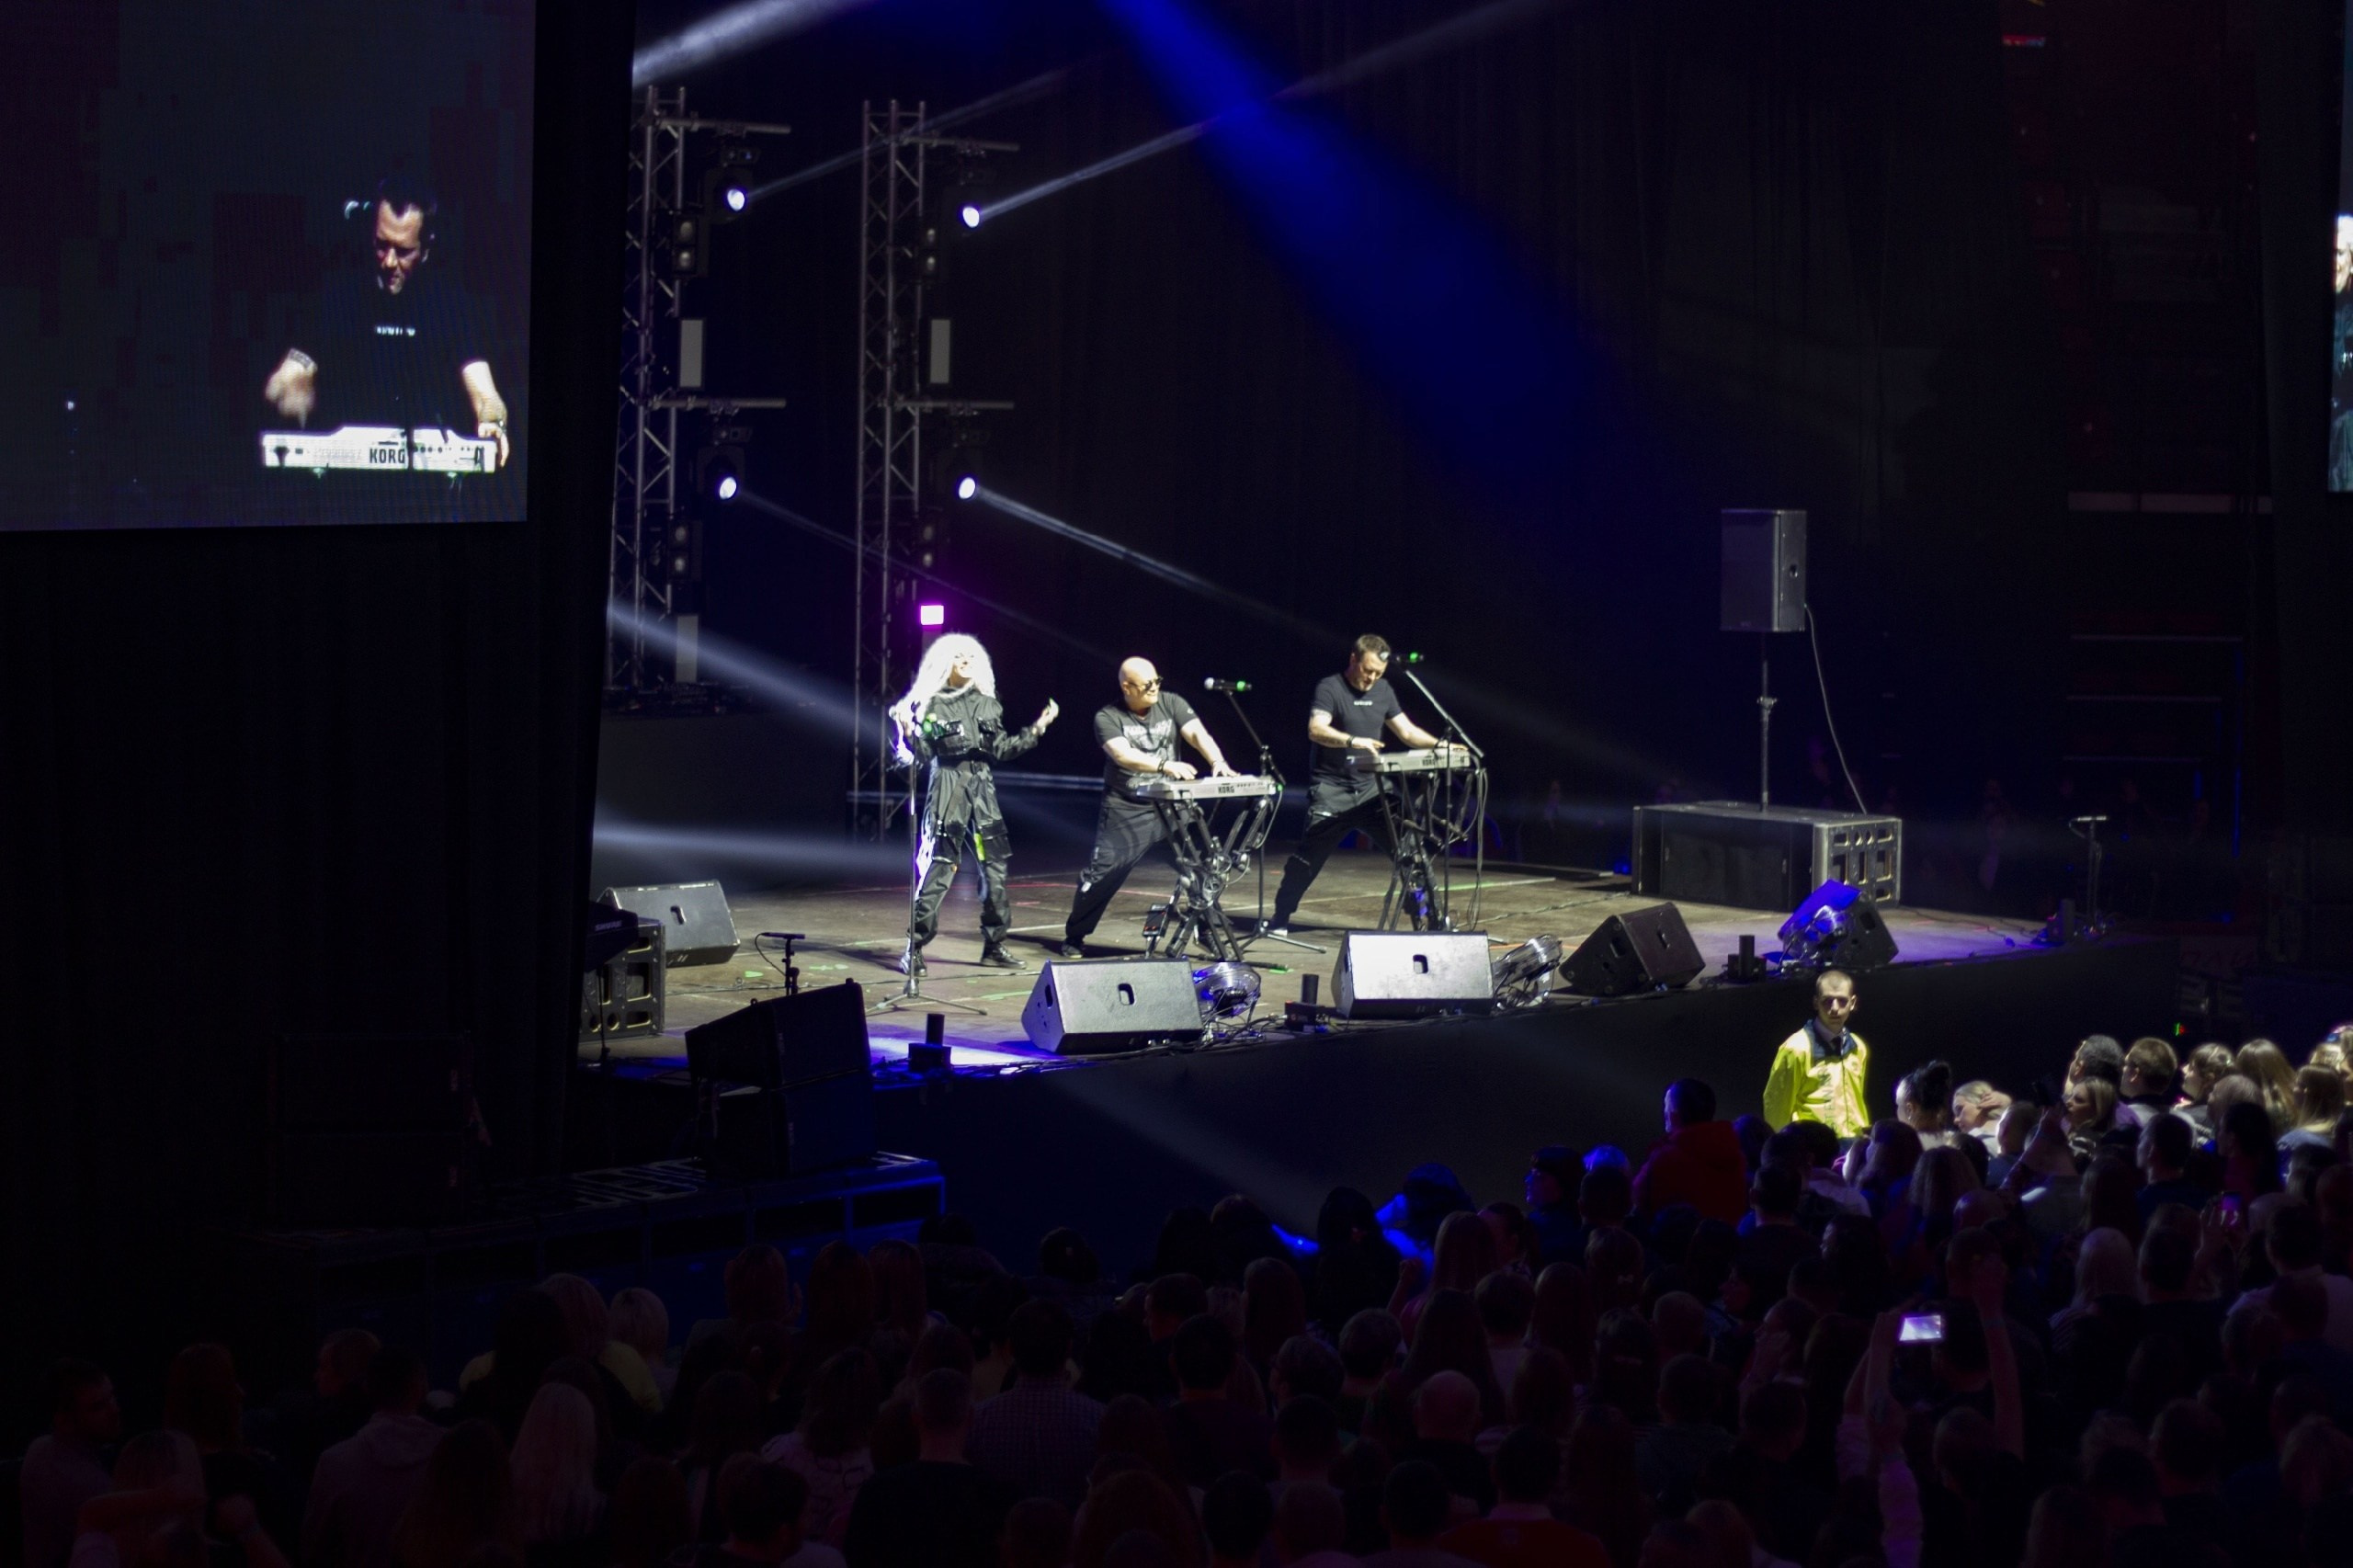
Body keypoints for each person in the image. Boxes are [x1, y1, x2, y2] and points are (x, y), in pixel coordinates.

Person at [264, 178, 512, 464]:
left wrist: (493, 422)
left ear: (426, 248)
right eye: (382, 245)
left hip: (426, 491)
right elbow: (290, 375)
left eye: (404, 251)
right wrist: (289, 390)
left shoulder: (449, 307)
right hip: (344, 486)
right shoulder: (340, 298)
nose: (389, 262)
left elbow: (485, 393)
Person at [886, 635, 1058, 978]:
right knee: (940, 869)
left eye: (970, 656)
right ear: (944, 665)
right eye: (958, 656)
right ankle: (915, 947)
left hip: (983, 794)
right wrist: (907, 732)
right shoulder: (932, 704)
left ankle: (993, 946)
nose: (966, 659)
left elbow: (1003, 749)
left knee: (994, 871)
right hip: (948, 790)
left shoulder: (988, 704)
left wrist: (1038, 728)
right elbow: (922, 756)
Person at [1260, 635, 1446, 937]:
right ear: (1354, 660)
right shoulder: (1330, 687)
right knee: (1307, 861)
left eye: (1378, 673)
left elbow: (1407, 732)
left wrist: (1442, 746)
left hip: (1373, 791)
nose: (1371, 678)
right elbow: (1316, 729)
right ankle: (1280, 918)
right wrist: (1353, 741)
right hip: (1332, 790)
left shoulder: (1384, 690)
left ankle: (1435, 920)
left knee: (1411, 850)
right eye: (1367, 670)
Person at [1060, 657, 1238, 957]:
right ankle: (1075, 935)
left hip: (1173, 807)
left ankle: (1206, 929)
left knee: (1206, 866)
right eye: (1147, 685)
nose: (1155, 688)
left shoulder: (1172, 702)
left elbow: (1197, 734)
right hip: (1128, 808)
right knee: (1101, 876)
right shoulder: (1108, 717)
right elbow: (1123, 755)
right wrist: (1164, 765)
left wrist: (1217, 762)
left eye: (1157, 681)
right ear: (1127, 687)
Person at [302, 1346, 442, 1568]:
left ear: (367, 1388)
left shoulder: (335, 1462)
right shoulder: (454, 1455)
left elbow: (313, 1549)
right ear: (421, 1387)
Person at [20, 1359, 120, 1568]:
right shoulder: (86, 1483)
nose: (114, 1410)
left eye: (111, 1397)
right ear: (64, 1421)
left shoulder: (41, 1447)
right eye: (98, 1407)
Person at [1761, 970, 1870, 1138]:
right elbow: (1776, 1106)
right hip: (1814, 1147)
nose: (1834, 1008)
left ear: (1853, 1003)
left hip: (1854, 1142)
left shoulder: (1857, 1047)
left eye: (1842, 1001)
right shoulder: (1796, 1049)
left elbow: (1856, 1098)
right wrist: (1784, 1149)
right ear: (1816, 1003)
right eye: (1827, 1001)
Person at [1631, 1080, 1750, 1224]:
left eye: (1666, 1106)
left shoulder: (1663, 1160)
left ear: (1674, 1114)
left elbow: (1636, 1199)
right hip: (1727, 1244)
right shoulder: (1737, 1157)